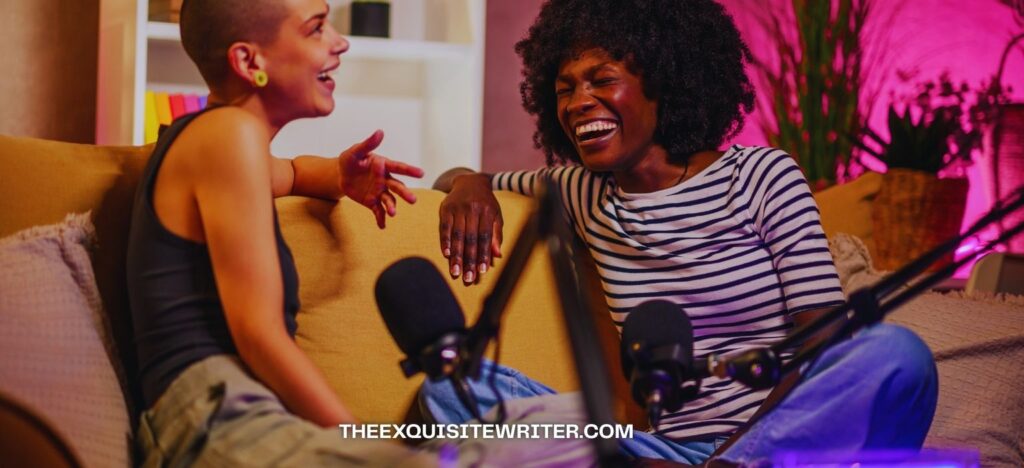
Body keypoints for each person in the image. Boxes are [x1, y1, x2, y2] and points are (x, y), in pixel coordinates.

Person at [425, 0, 939, 465]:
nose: (578, 102)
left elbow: (824, 341)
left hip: (773, 441)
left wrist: (736, 454)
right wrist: (470, 184)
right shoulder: (579, 190)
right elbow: (455, 177)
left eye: (601, 80)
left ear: (664, 80)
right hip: (661, 451)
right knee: (450, 389)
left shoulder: (761, 176)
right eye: (565, 89)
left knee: (897, 354)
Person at [126, 0, 597, 465]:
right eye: (316, 28)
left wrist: (340, 176)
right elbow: (258, 334)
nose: (340, 42)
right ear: (250, 62)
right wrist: (365, 445)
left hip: (234, 414)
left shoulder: (214, 140)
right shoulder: (228, 135)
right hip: (216, 418)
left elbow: (291, 172)